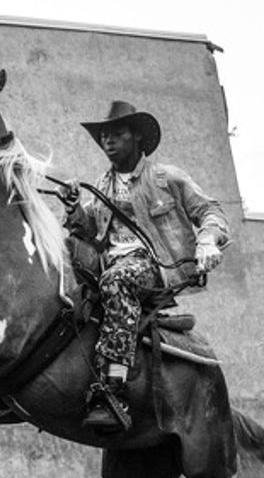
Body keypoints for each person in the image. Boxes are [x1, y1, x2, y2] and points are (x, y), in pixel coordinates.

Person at [61, 101, 230, 432]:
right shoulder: (102, 185)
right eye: (104, 136)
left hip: (154, 266)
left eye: (117, 134)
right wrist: (72, 209)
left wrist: (208, 241)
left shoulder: (168, 178)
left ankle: (114, 389)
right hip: (108, 261)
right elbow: (87, 231)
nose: (108, 141)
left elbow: (211, 212)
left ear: (137, 137)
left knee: (116, 280)